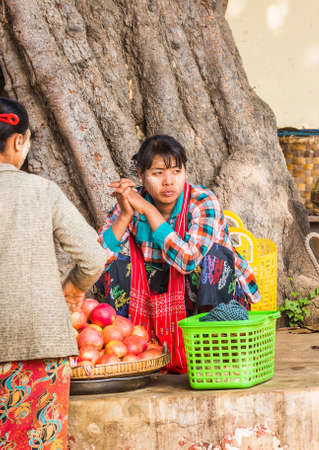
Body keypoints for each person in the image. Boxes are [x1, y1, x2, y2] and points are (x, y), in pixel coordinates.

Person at [95, 135, 260, 373]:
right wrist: (125, 215)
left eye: (176, 171)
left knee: (211, 259)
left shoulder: (203, 201)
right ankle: (131, 348)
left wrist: (150, 211)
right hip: (159, 295)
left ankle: (213, 351)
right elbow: (96, 259)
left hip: (205, 292)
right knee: (115, 263)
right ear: (140, 174)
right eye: (158, 173)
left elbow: (188, 261)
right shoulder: (133, 202)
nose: (168, 182)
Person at [0, 97, 107, 448]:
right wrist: (73, 289)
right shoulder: (42, 192)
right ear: (19, 141)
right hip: (41, 338)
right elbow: (93, 258)